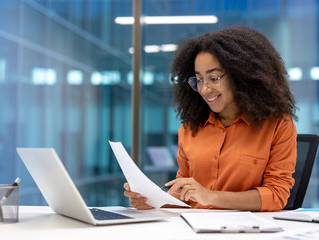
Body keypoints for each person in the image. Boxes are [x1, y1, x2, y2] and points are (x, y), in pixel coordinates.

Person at [124, 26, 297, 212]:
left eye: (214, 78)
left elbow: (277, 195)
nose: (205, 89)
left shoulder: (278, 124)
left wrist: (209, 195)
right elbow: (186, 194)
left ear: (242, 76)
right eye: (198, 80)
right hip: (194, 228)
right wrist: (152, 200)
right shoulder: (190, 127)